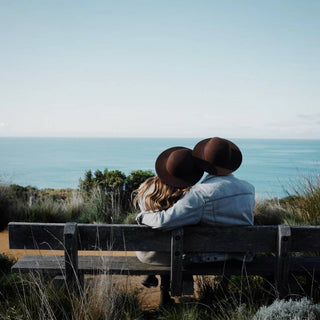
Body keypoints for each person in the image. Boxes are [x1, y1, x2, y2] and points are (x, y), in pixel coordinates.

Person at [136, 137, 255, 262]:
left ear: (203, 163)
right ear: (231, 162)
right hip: (244, 256)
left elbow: (163, 221)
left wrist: (142, 217)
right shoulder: (249, 189)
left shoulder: (200, 194)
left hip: (213, 258)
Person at [133, 146, 204, 287]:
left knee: (161, 240)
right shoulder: (188, 196)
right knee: (173, 243)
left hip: (147, 253)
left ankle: (154, 279)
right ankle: (165, 291)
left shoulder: (145, 187)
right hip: (177, 254)